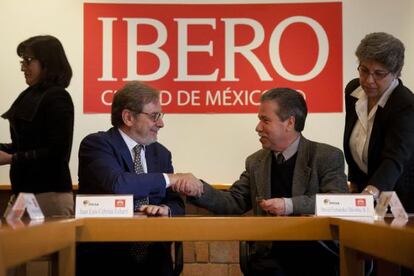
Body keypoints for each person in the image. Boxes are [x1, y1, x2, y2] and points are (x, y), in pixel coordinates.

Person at [175, 88, 348, 276]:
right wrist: (198, 190)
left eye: (265, 120)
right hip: (268, 260)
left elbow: (336, 202)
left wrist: (288, 205)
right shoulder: (256, 162)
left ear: (290, 123)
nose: (258, 127)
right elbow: (234, 201)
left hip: (316, 258)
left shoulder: (327, 157)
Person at [77, 80, 201, 276]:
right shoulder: (97, 145)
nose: (161, 123)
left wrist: (165, 210)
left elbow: (175, 202)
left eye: (160, 116)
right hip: (107, 261)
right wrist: (172, 178)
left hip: (155, 262)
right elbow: (118, 184)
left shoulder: (161, 154)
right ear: (128, 117)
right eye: (154, 116)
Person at [0, 35, 74, 217]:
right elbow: (23, 147)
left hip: (49, 195)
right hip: (24, 194)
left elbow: (58, 151)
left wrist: (10, 158)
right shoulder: (30, 95)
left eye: (28, 61)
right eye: (22, 62)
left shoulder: (58, 97)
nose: (23, 68)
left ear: (47, 63)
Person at [344, 32, 414, 213]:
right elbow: (355, 142)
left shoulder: (405, 104)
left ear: (396, 73)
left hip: (402, 200)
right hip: (366, 196)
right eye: (364, 70)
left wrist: (369, 193)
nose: (369, 81)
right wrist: (353, 187)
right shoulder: (353, 91)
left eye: (379, 74)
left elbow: (395, 158)